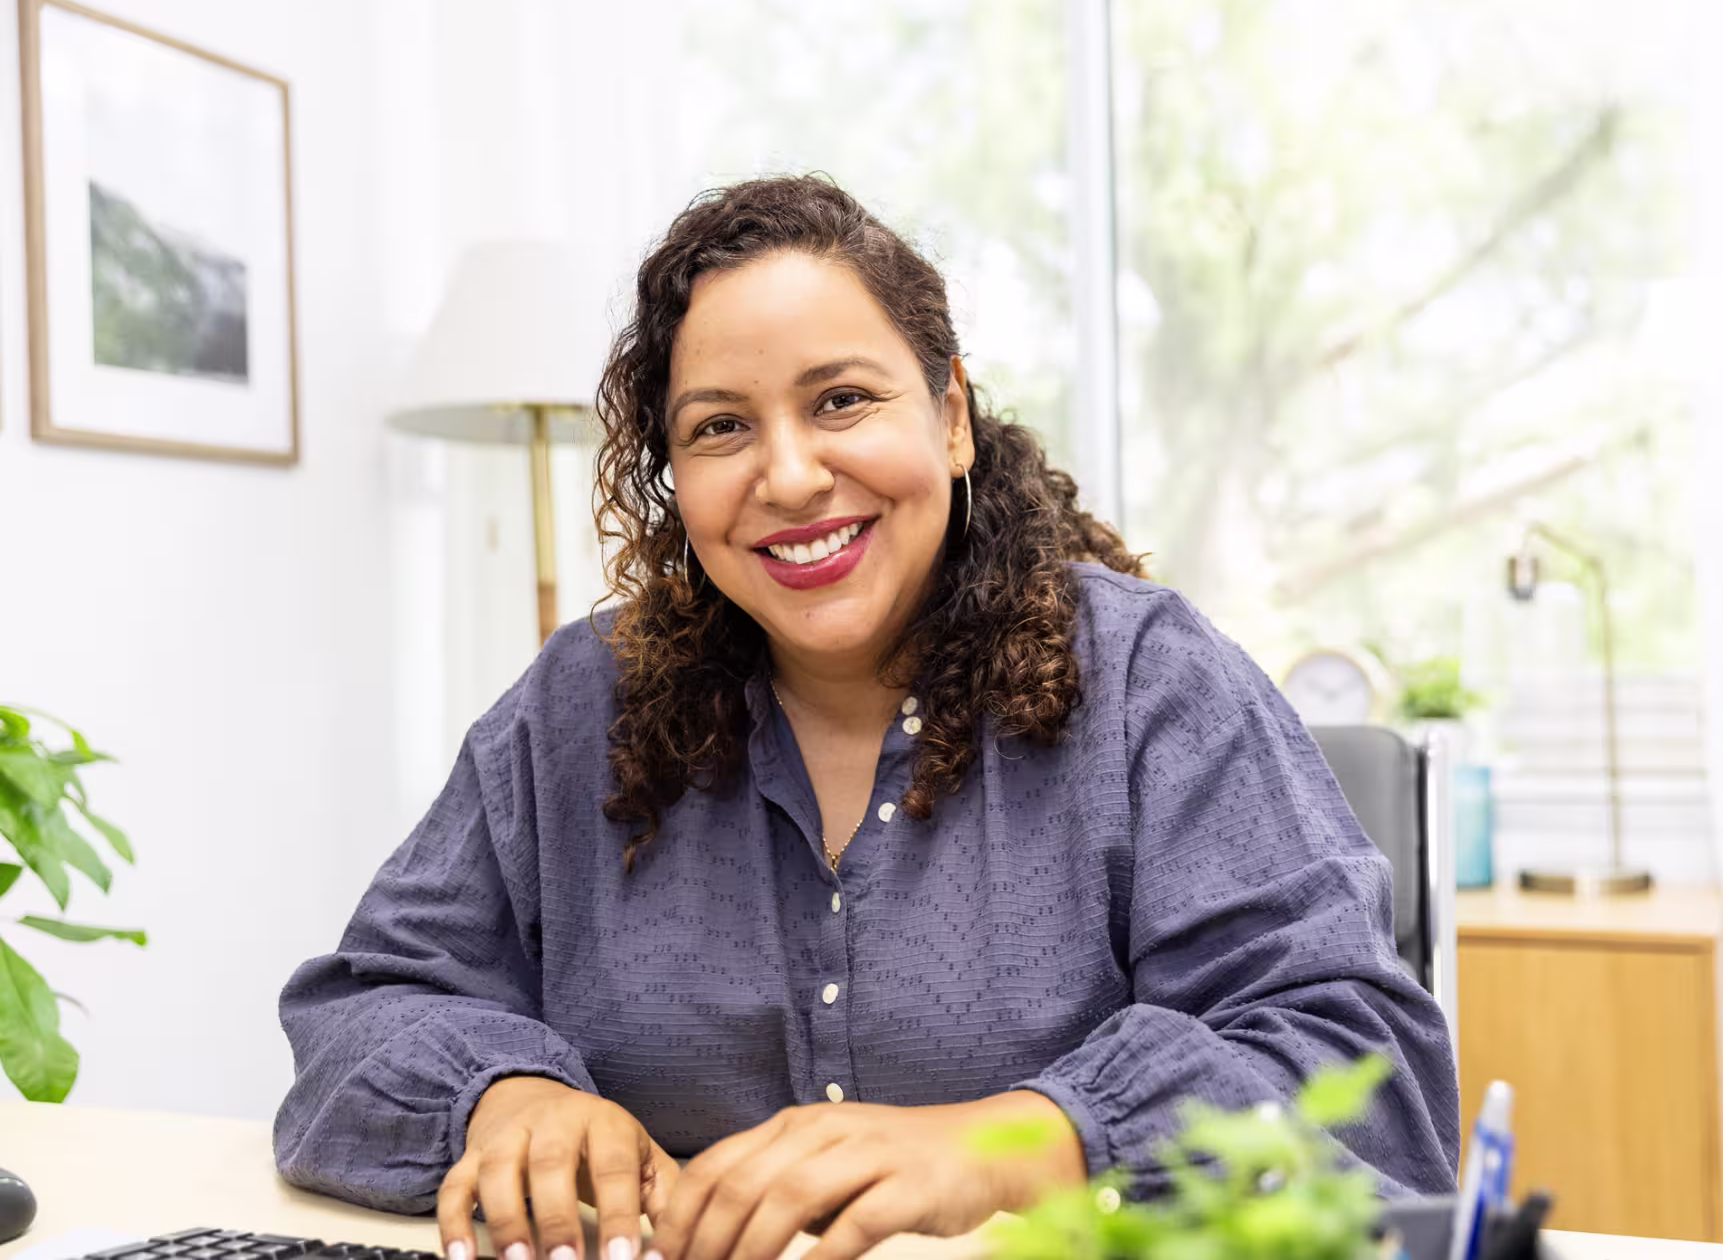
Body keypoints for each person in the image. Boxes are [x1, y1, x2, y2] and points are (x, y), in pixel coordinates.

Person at [275, 175, 1458, 1260]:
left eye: (841, 399)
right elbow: (363, 1009)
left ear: (950, 419)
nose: (788, 475)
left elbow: (1367, 1081)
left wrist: (1017, 1142)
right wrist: (502, 1096)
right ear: (673, 480)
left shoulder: (1153, 681)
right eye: (720, 427)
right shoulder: (583, 700)